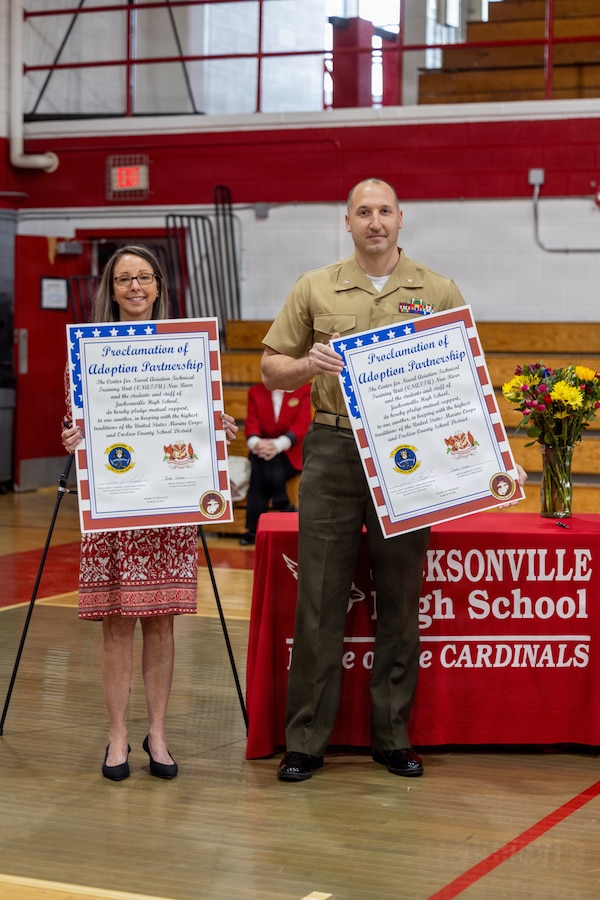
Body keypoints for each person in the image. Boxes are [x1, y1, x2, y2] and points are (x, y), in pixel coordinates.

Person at [261, 177, 525, 783]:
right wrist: (307, 364)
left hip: (410, 453)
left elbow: (462, 379)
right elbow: (273, 367)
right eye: (363, 212)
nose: (374, 221)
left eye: (384, 211)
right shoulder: (314, 286)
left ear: (401, 219)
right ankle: (304, 741)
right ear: (346, 222)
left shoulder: (437, 290)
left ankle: (392, 736)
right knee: (320, 600)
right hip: (332, 447)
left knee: (401, 600)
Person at [61, 244, 238, 782]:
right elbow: (72, 419)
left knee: (161, 623)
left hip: (168, 506)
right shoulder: (86, 350)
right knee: (116, 625)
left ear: (159, 285)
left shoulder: (186, 346)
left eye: (144, 277)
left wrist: (217, 428)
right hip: (114, 503)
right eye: (123, 280)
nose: (134, 287)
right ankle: (117, 735)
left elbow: (191, 417)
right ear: (110, 290)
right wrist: (71, 434)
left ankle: (157, 732)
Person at [239, 382, 312, 546]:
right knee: (263, 460)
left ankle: (253, 529)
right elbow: (251, 423)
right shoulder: (255, 392)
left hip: (290, 453)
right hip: (262, 451)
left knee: (265, 462)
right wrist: (256, 443)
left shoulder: (303, 391)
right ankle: (282, 502)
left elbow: (302, 424)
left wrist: (277, 446)